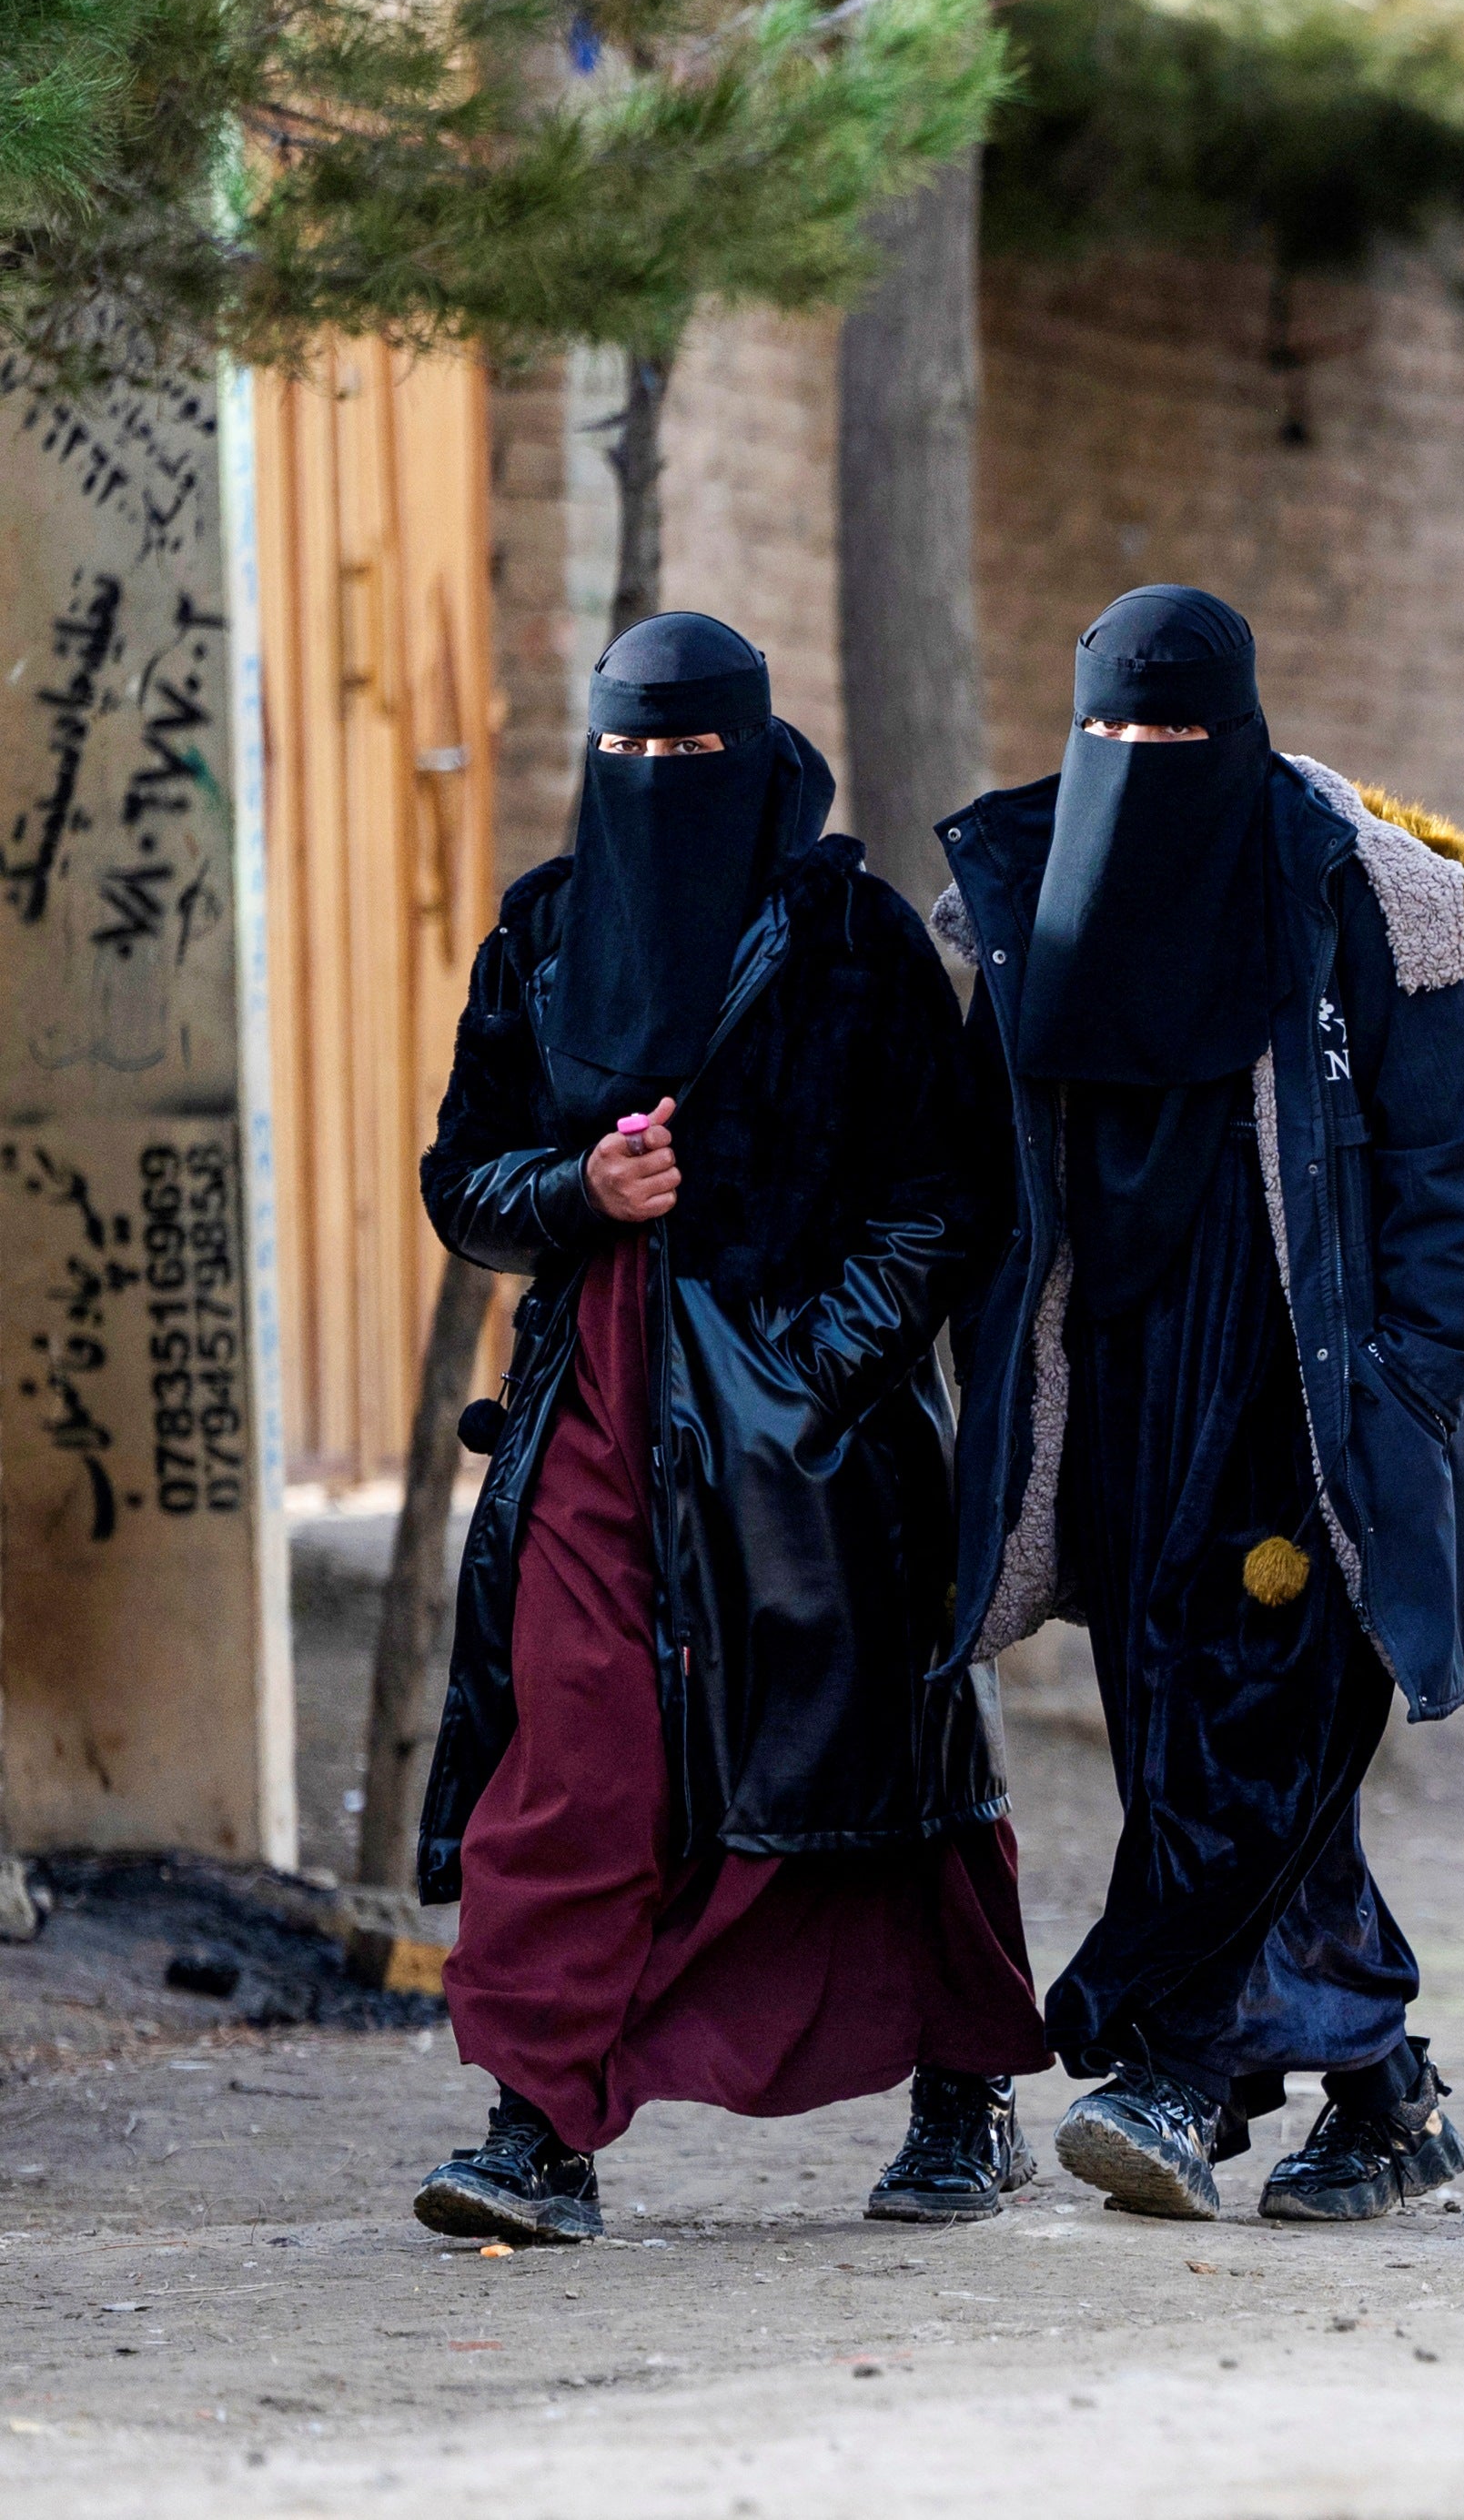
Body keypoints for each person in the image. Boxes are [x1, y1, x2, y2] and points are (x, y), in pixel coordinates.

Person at [411, 611, 1045, 2246]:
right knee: (569, 1759)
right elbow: (463, 1180)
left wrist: (809, 1378)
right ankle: (537, 2131)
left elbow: (941, 1198)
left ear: (758, 752)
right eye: (625, 753)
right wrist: (579, 1188)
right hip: (596, 1415)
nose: (654, 783)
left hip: (818, 1444)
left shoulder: (853, 937)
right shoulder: (544, 934)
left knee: (867, 1775)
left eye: (688, 754)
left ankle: (965, 2094)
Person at [933, 583, 1464, 2225]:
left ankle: (1175, 2067)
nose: (1139, 763)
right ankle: (1385, 2097)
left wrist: (1411, 1382)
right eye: (1110, 732)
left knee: (1258, 1725)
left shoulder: (1362, 891)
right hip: (1113, 1385)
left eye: (1172, 732)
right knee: (1180, 1731)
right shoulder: (1022, 886)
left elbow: (1444, 1164)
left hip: (1305, 1397)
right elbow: (992, 1165)